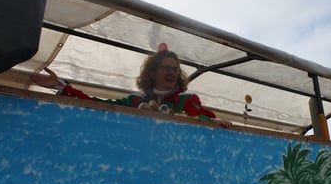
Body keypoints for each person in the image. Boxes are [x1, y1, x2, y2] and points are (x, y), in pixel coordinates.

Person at [30, 44, 232, 128]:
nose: (172, 72)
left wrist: (214, 121)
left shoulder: (187, 100)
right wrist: (62, 86)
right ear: (152, 72)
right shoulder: (134, 100)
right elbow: (99, 105)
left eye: (175, 69)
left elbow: (199, 117)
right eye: (167, 68)